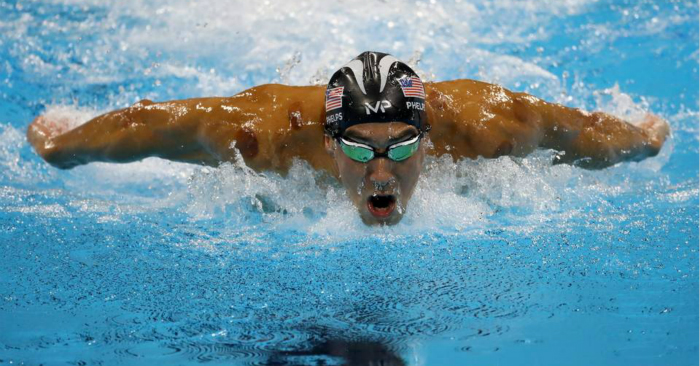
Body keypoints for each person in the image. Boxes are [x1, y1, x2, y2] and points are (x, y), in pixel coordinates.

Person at [27, 51, 669, 226]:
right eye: (360, 148)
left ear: (430, 138)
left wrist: (644, 139)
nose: (381, 172)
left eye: (402, 146)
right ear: (330, 144)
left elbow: (583, 133)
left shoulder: (489, 129)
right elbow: (145, 124)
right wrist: (61, 147)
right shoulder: (265, 138)